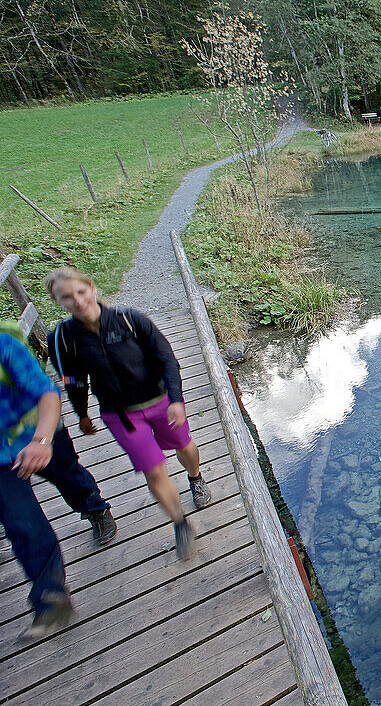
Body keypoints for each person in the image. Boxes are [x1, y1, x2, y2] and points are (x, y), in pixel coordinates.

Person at [45, 267, 212, 561]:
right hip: (120, 414)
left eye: (81, 292)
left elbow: (167, 360)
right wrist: (82, 414)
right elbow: (73, 380)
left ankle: (195, 477)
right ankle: (180, 523)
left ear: (92, 288)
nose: (78, 301)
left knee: (184, 446)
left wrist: (176, 400)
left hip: (161, 401)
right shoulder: (64, 338)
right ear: (59, 302)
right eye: (67, 298)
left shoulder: (129, 320)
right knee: (153, 469)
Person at [1, 326, 115, 639]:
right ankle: (51, 597)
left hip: (41, 431)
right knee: (20, 521)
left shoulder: (4, 347)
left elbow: (48, 394)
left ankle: (96, 508)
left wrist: (42, 440)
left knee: (68, 476)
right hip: (2, 458)